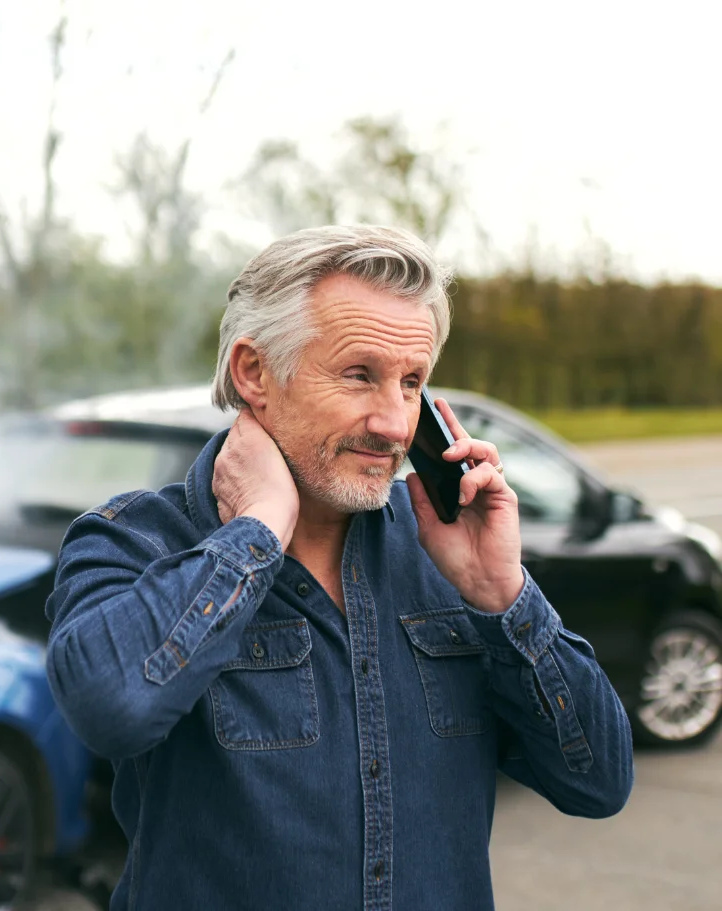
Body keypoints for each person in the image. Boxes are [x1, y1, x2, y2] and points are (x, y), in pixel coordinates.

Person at [46, 225, 634, 911]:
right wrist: (256, 532)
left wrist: (503, 594)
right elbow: (109, 706)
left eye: (411, 382)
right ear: (254, 373)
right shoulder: (134, 538)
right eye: (360, 374)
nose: (393, 422)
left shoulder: (446, 560)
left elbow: (599, 780)